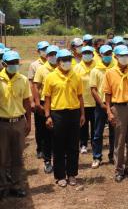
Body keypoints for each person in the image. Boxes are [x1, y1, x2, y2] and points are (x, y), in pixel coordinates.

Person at [44, 49, 85, 187]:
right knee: (59, 146)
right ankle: (60, 175)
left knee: (73, 146)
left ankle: (72, 174)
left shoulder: (76, 76)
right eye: (64, 59)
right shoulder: (51, 77)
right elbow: (47, 98)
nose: (67, 62)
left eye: (69, 59)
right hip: (58, 114)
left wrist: (82, 114)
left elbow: (80, 96)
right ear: (58, 62)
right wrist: (48, 115)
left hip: (74, 113)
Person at [103, 45, 128, 182]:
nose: (125, 58)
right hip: (119, 108)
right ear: (116, 57)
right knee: (119, 141)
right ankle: (119, 170)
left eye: (126, 55)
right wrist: (109, 111)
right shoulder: (110, 73)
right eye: (121, 56)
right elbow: (107, 94)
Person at [0, 50, 31, 199]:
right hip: (2, 123)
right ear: (4, 64)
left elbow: (26, 101)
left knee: (17, 156)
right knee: (2, 157)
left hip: (19, 122)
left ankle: (16, 185)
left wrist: (28, 121)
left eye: (16, 63)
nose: (14, 65)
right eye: (11, 63)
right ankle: (2, 185)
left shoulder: (23, 79)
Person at [33, 45, 59, 174]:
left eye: (56, 54)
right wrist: (37, 103)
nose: (53, 56)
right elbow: (36, 86)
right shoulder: (41, 69)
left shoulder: (62, 68)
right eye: (51, 54)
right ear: (47, 56)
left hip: (59, 104)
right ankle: (47, 160)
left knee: (58, 134)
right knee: (46, 134)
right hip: (45, 103)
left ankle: (59, 158)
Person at [90, 45, 115, 169]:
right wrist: (101, 104)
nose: (108, 56)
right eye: (106, 54)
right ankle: (96, 157)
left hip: (115, 104)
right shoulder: (95, 70)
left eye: (110, 53)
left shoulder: (115, 68)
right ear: (100, 55)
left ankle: (113, 155)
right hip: (101, 105)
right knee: (98, 132)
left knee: (114, 131)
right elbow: (93, 90)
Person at [28, 40, 49, 159]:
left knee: (49, 125)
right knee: (40, 126)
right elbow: (31, 84)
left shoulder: (55, 63)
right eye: (43, 49)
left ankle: (49, 148)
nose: (45, 51)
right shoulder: (34, 65)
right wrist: (33, 101)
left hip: (50, 100)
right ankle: (40, 148)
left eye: (47, 49)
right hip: (39, 99)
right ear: (38, 51)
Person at [74, 46, 97, 155]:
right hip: (82, 102)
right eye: (85, 53)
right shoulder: (77, 67)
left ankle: (94, 143)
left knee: (95, 124)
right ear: (82, 55)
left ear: (92, 54)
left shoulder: (97, 66)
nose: (87, 55)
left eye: (89, 52)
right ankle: (83, 144)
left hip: (95, 101)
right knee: (83, 124)